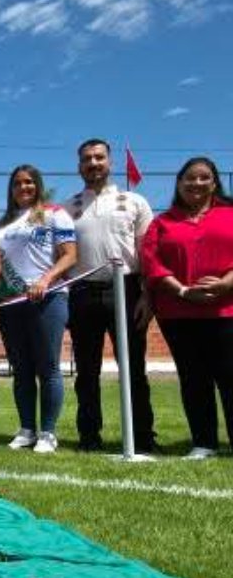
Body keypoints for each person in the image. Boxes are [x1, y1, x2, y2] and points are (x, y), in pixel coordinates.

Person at [66, 139, 156, 453]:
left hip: (127, 291)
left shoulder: (134, 201)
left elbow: (146, 251)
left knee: (133, 368)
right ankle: (89, 437)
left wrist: (147, 295)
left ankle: (143, 437)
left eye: (99, 158)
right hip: (82, 293)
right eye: (87, 159)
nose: (93, 164)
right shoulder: (69, 207)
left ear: (110, 162)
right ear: (79, 166)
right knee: (87, 372)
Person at [140, 156, 233, 459]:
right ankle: (204, 442)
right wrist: (182, 290)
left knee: (229, 376)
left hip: (226, 311)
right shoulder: (162, 223)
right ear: (178, 183)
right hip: (179, 313)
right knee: (194, 379)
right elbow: (151, 262)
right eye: (189, 178)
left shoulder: (229, 214)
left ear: (214, 182)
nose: (196, 183)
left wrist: (225, 285)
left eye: (204, 177)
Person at [0, 165, 78, 454]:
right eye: (18, 183)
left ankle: (48, 433)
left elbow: (70, 256)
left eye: (29, 182)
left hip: (48, 298)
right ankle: (27, 429)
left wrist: (45, 279)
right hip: (12, 303)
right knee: (21, 369)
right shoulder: (3, 223)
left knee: (48, 367)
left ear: (38, 185)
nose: (24, 188)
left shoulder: (55, 213)